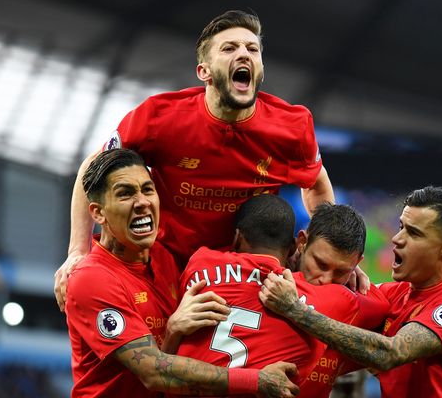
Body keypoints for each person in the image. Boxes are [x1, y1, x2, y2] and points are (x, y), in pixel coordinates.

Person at [55, 9, 337, 311]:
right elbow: (92, 169)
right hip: (167, 267)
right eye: (229, 48)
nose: (243, 54)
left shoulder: (292, 126)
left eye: (252, 49)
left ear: (260, 68)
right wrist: (77, 251)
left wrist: (330, 251)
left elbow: (316, 185)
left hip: (243, 274)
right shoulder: (159, 117)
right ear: (204, 71)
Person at [64, 148, 299, 397]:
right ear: (98, 212)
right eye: (125, 194)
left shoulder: (165, 258)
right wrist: (256, 380)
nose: (142, 202)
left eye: (148, 189)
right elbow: (153, 371)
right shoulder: (91, 279)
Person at [260, 186, 442, 397]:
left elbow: (390, 353)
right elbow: (327, 298)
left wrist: (294, 309)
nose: (396, 238)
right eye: (401, 227)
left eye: (414, 233)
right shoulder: (390, 297)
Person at [167, 195, 389, 397]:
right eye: (320, 264)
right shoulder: (336, 299)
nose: (325, 279)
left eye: (341, 271)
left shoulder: (201, 261)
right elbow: (381, 307)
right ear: (300, 243)